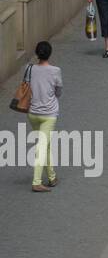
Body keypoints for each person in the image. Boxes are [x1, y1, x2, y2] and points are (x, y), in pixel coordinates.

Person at [27, 40, 62, 192]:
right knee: (42, 146)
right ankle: (36, 182)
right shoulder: (55, 71)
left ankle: (52, 176)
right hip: (49, 114)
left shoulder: (29, 69)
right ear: (50, 54)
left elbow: (27, 86)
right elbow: (59, 92)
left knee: (45, 144)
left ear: (37, 54)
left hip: (33, 113)